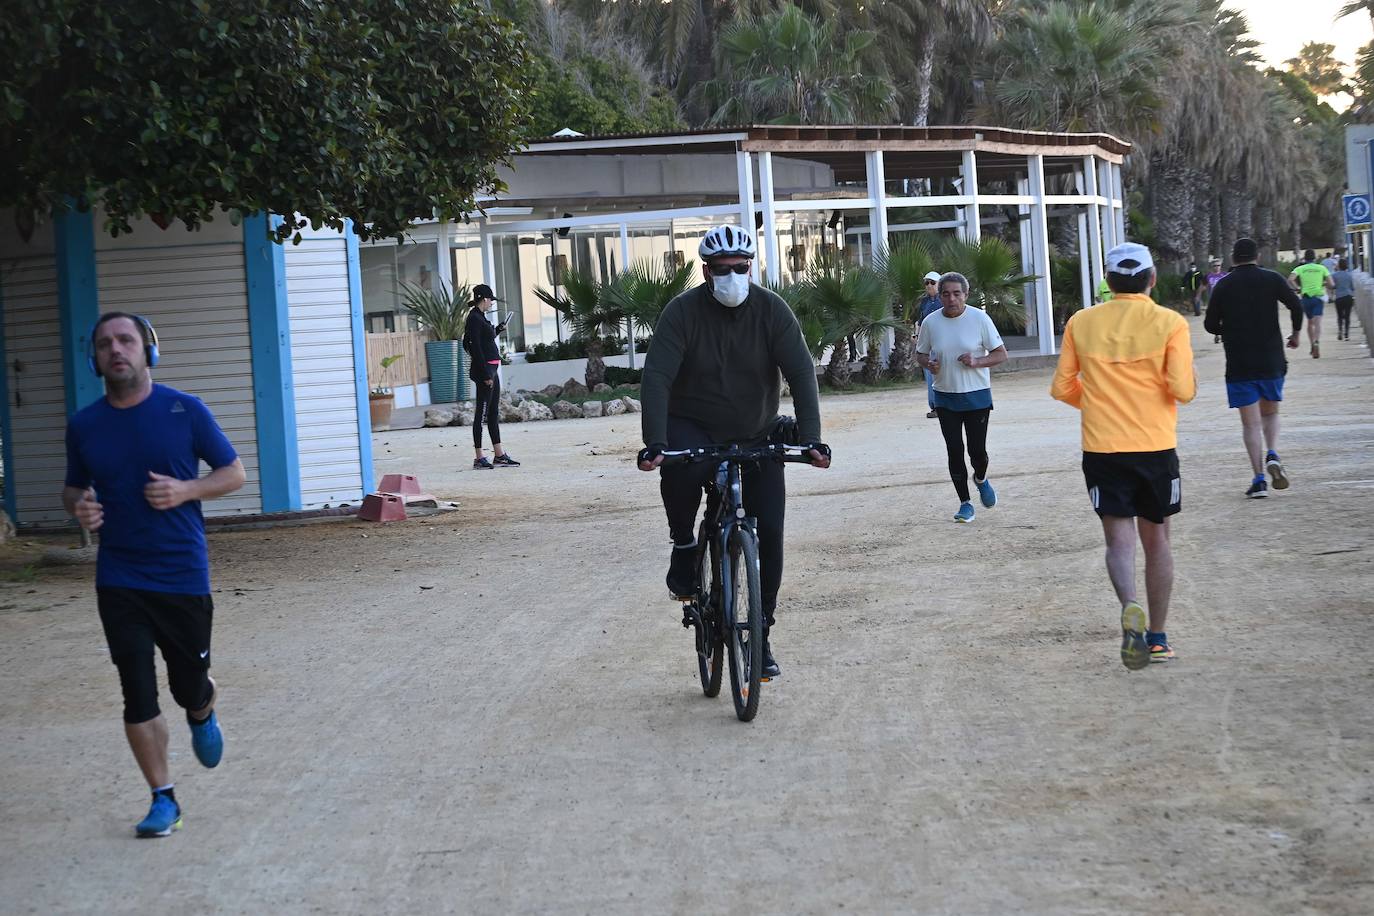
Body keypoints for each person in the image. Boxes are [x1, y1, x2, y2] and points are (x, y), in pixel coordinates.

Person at [63, 312, 246, 837]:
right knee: (136, 690)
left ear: (148, 350)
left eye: (126, 340)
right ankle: (163, 798)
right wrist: (81, 506)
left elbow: (233, 472)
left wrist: (186, 490)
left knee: (187, 685)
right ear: (95, 358)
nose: (115, 350)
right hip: (119, 576)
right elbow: (73, 488)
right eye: (104, 344)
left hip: (182, 573)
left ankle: (202, 708)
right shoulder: (85, 425)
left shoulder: (184, 411)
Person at [637, 225, 830, 679]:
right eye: (721, 270)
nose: (731, 277)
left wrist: (814, 439)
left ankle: (760, 633)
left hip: (756, 430)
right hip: (694, 425)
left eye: (739, 268)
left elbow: (802, 374)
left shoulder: (772, 310)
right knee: (679, 474)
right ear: (705, 270)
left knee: (772, 532)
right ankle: (685, 545)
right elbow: (657, 379)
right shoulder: (681, 313)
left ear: (751, 267)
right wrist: (655, 442)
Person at [1050, 243, 1196, 669]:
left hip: (1102, 448)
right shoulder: (1170, 322)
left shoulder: (1082, 322)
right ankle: (1158, 637)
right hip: (1155, 446)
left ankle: (1129, 606)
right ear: (1151, 278)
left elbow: (1062, 387)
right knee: (1158, 540)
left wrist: (1096, 402)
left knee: (1118, 540)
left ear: (1108, 282)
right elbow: (1182, 390)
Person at [1204, 238, 1304, 498]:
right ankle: (1272, 452)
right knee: (1270, 413)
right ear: (1257, 256)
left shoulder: (1224, 284)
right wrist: (1295, 334)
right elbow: (1296, 305)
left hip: (1239, 362)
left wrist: (1230, 329)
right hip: (1271, 358)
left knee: (1250, 424)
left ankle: (1259, 479)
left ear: (1234, 258)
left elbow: (1210, 324)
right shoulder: (1272, 279)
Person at [914, 272, 1009, 523]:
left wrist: (977, 361)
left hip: (976, 395)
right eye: (946, 293)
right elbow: (920, 354)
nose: (951, 298)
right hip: (945, 396)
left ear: (966, 295)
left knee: (978, 452)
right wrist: (929, 364)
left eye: (957, 293)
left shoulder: (980, 318)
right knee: (954, 450)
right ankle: (965, 503)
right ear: (940, 295)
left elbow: (1001, 354)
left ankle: (981, 478)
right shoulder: (931, 322)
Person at [464, 283, 519, 469]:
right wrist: (486, 373)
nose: (491, 304)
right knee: (481, 414)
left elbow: (485, 340)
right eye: (490, 300)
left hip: (492, 370)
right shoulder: (473, 319)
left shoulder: (481, 317)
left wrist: (497, 330)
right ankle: (479, 457)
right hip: (485, 371)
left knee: (493, 413)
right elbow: (475, 347)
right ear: (484, 299)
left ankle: (499, 454)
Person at [1288, 249, 1332, 359]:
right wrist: (1323, 283)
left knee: (1310, 323)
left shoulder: (1300, 268)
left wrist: (1297, 288)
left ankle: (1312, 343)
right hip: (1318, 297)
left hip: (1306, 298)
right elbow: (1331, 283)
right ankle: (1316, 342)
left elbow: (1290, 279)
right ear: (1314, 258)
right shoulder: (1322, 268)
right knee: (1318, 323)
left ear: (1305, 258)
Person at [915, 270, 943, 419]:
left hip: (941, 342)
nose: (929, 286)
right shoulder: (924, 302)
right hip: (927, 343)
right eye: (927, 283)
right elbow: (920, 322)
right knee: (930, 376)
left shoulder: (944, 300)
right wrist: (917, 337)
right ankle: (934, 406)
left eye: (932, 282)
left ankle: (943, 405)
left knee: (941, 374)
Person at [1202, 257, 1228, 341]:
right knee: (1216, 318)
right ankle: (1217, 335)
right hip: (1213, 300)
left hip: (1224, 300)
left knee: (1225, 318)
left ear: (1220, 266)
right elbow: (1203, 286)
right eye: (1215, 266)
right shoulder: (1208, 276)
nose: (1216, 267)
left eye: (1218, 265)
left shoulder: (1224, 275)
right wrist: (1198, 296)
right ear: (1212, 267)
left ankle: (1223, 334)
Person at [1332, 257, 1356, 341]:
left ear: (1338, 265)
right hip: (1348, 297)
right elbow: (1353, 287)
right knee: (1347, 316)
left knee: (1339, 316)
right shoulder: (1350, 275)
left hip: (1339, 297)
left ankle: (1340, 331)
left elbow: (1333, 286)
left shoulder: (1334, 275)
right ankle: (1347, 334)